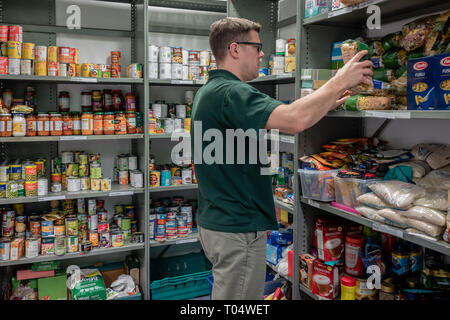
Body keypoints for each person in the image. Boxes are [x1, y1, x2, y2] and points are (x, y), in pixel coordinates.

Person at [191, 17, 373, 300]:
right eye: (257, 47)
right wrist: (339, 81)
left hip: (218, 221)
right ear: (236, 49)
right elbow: (296, 119)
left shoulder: (209, 91)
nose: (262, 54)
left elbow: (296, 114)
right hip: (237, 228)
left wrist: (324, 99)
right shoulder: (233, 91)